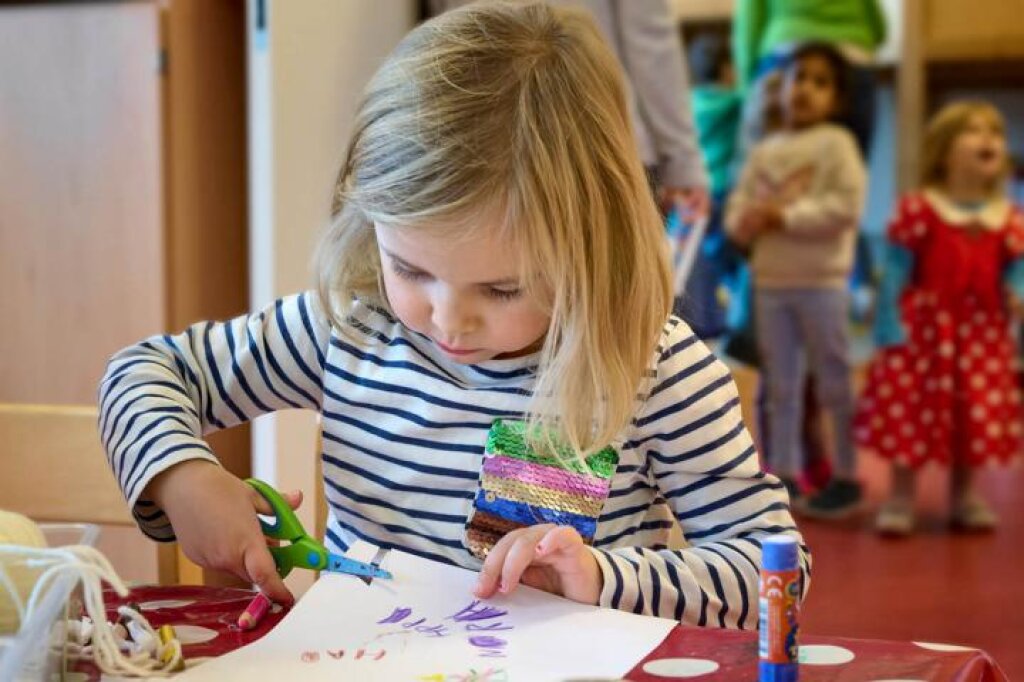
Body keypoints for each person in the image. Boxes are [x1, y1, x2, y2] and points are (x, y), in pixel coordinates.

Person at [98, 2, 808, 626]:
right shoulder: (347, 324)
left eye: (502, 290)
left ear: (594, 249)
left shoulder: (658, 368)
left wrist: (602, 578)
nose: (448, 320)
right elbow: (143, 372)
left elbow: (773, 572)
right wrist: (180, 475)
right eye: (410, 269)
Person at [856, 101, 1024, 535]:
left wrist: (1017, 292)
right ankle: (900, 495)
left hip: (982, 334)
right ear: (945, 151)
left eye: (995, 132)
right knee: (910, 412)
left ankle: (964, 495)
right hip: (923, 333)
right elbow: (896, 272)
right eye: (974, 130)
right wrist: (888, 326)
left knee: (972, 414)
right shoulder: (921, 209)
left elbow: (1015, 269)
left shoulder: (1006, 218)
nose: (988, 138)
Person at [725, 42, 866, 515]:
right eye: (798, 77)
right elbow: (739, 205)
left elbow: (843, 207)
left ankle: (845, 474)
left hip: (822, 283)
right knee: (780, 384)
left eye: (820, 82)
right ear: (780, 87)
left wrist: (782, 217)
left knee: (833, 379)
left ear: (837, 100)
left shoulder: (836, 144)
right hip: (771, 282)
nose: (805, 88)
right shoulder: (765, 150)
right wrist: (742, 223)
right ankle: (782, 473)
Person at [428, 0, 709, 220]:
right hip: (598, 136)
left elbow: (445, 25)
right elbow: (649, 39)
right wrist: (682, 163)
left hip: (476, 137)